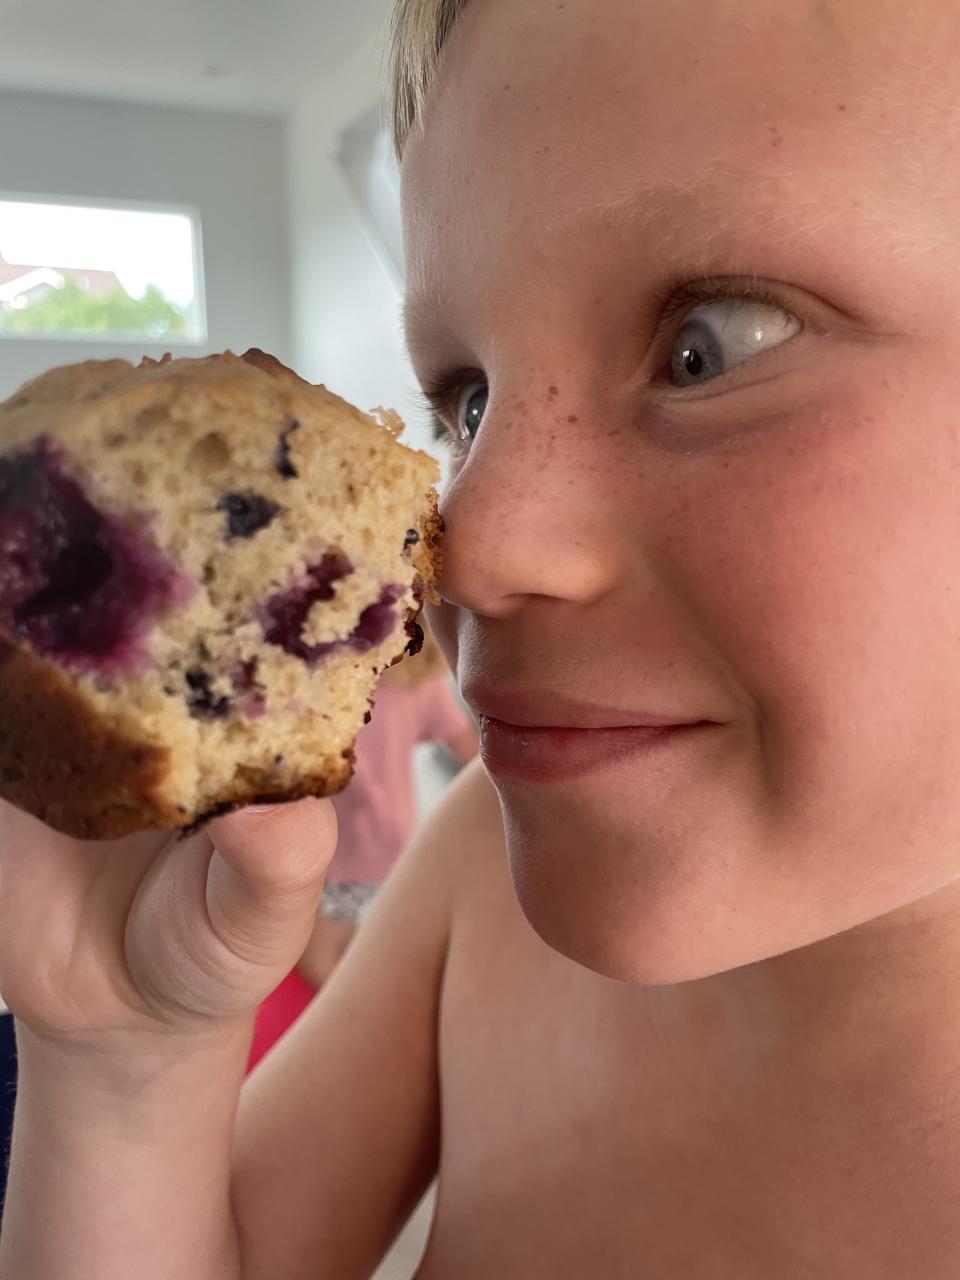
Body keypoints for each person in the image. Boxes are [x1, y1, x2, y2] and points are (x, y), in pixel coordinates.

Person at [3, 0, 960, 1274]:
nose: (470, 542)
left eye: (709, 343)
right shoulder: (474, 885)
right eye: (468, 401)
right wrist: (124, 1070)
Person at [246, 629, 476, 1073]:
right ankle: (369, 996)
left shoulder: (335, 694)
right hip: (389, 841)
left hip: (343, 849)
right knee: (345, 933)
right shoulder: (420, 686)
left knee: (316, 957)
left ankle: (368, 1028)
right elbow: (469, 751)